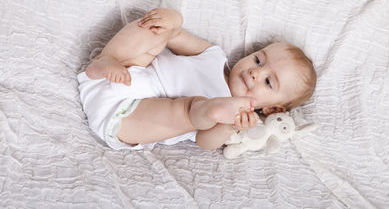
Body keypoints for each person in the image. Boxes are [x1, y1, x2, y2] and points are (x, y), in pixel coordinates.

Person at [77, 8, 317, 151]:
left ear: (273, 108)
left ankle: (203, 109)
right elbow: (176, 36)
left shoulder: (235, 117)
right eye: (258, 60)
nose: (255, 72)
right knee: (155, 31)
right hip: (114, 75)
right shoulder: (214, 56)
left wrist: (228, 124)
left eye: (267, 82)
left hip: (126, 120)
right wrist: (172, 21)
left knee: (190, 111)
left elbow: (206, 142)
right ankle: (106, 57)